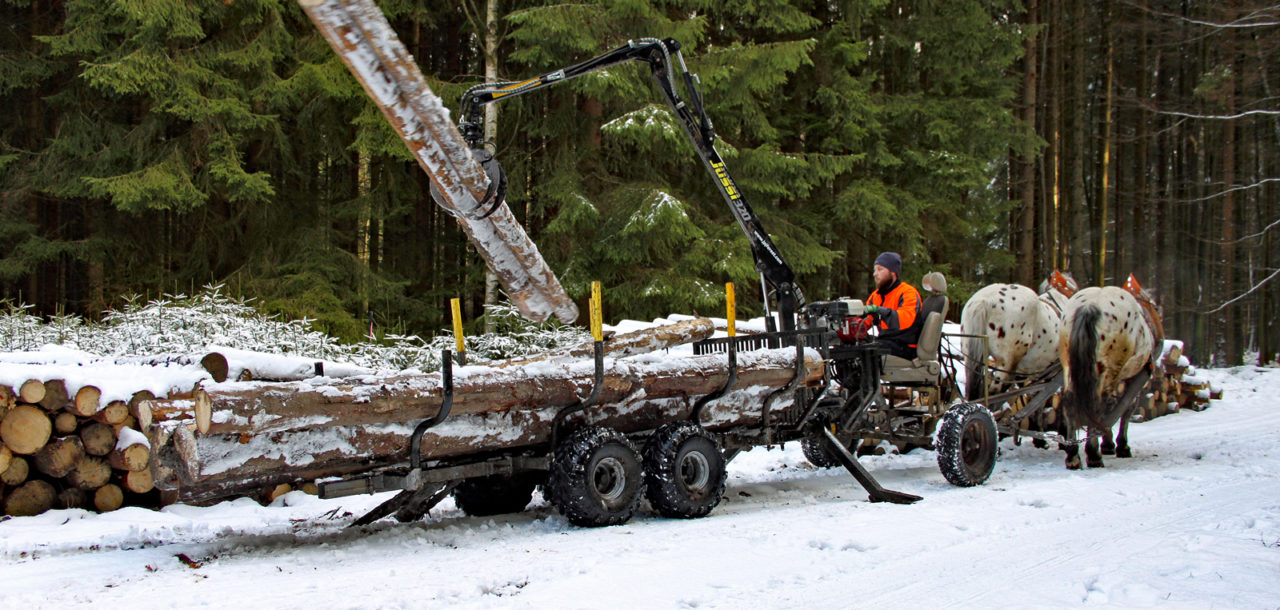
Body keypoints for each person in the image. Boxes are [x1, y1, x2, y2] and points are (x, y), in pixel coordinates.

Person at [863, 252, 923, 359]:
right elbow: (866, 320)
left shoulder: (908, 292)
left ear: (893, 272)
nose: (875, 274)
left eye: (880, 269)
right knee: (852, 347)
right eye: (874, 270)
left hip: (905, 347)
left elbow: (903, 320)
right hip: (885, 342)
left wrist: (879, 310)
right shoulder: (876, 296)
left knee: (865, 351)